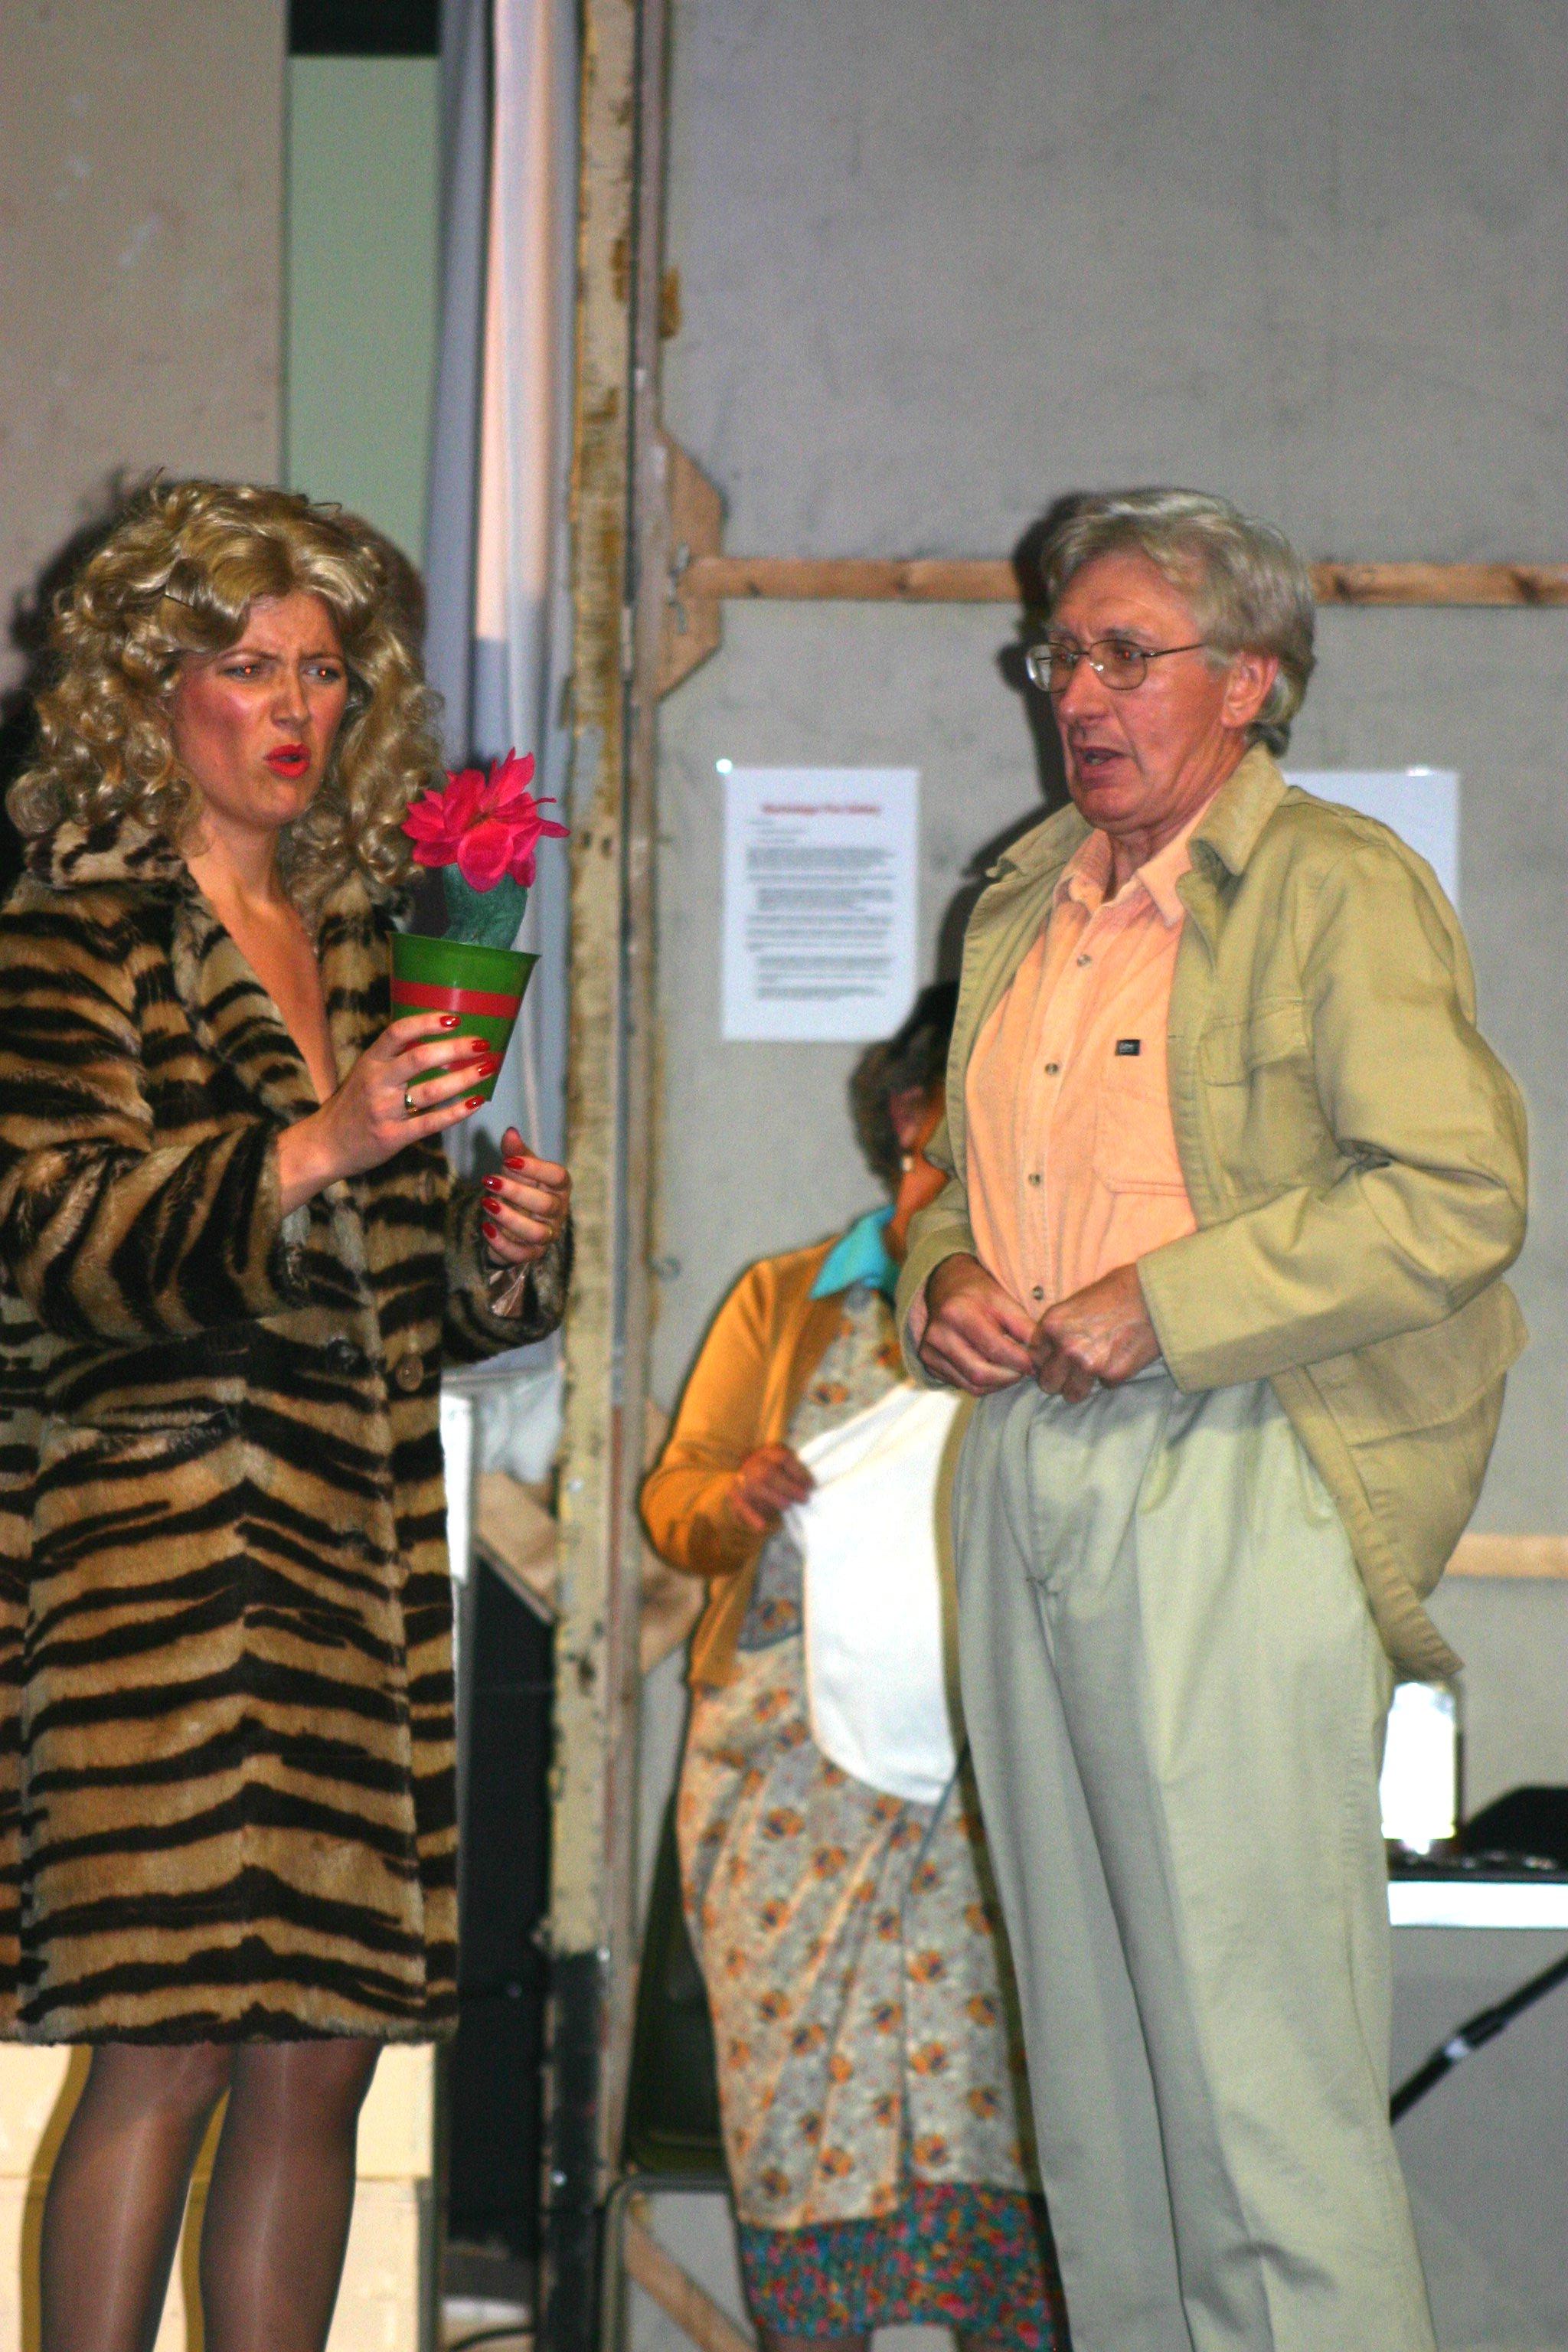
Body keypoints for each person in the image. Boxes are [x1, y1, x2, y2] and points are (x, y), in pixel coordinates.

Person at [898, 488, 1527, 2352]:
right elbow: (961, 1187)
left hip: (1237, 1463)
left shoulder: (1333, 886)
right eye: (1059, 658)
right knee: (1097, 2106)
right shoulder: (1021, 896)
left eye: (1125, 656)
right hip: (1020, 1463)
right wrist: (941, 1274)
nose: (1079, 696)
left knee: (1260, 2099)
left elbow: (1455, 1196)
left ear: (1248, 682)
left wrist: (1166, 1304)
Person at [0, 480, 572, 2352]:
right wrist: (316, 1144)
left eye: (322, 671)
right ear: (145, 688)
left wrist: (494, 1258)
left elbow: (386, 1291)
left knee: (324, 2055)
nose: (294, 707)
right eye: (247, 666)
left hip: (343, 1572)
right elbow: (56, 1240)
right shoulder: (71, 938)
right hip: (147, 1581)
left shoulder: (369, 941)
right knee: (162, 2049)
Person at [642, 984, 1067, 2352]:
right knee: (799, 2109)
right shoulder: (787, 1300)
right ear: (896, 1126)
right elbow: (674, 1507)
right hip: (787, 1800)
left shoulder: (1060, 1317)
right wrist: (740, 1497)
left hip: (986, 1796)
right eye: (929, 1143)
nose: (944, 1176)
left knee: (1008, 2115)